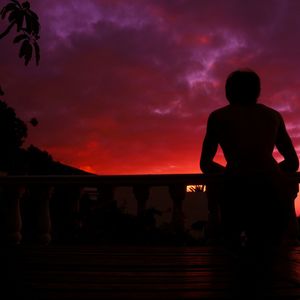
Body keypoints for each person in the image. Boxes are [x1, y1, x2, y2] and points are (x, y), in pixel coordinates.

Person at [200, 69, 299, 249]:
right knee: (271, 254)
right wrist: (271, 170)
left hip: (236, 191)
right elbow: (293, 162)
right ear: (257, 91)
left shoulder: (218, 117)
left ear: (229, 91)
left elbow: (205, 164)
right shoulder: (273, 116)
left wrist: (232, 171)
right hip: (272, 189)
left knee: (234, 253)